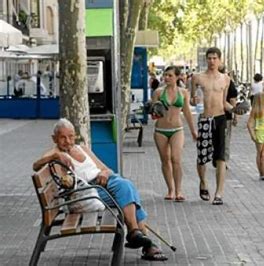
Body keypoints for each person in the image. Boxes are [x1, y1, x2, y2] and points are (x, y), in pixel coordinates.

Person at [32, 118, 167, 261]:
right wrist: (55, 155)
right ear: (54, 138)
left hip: (105, 183)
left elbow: (106, 169)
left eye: (71, 136)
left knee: (126, 188)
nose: (68, 141)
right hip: (89, 192)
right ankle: (141, 238)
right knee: (127, 191)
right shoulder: (54, 154)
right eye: (62, 137)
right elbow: (36, 166)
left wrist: (103, 173)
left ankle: (138, 236)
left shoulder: (82, 148)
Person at [191, 47, 233, 205]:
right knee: (202, 157)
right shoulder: (197, 77)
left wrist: (235, 109)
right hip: (204, 118)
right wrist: (194, 101)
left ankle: (219, 193)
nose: (212, 61)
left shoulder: (225, 79)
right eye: (209, 58)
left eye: (215, 58)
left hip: (220, 118)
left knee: (221, 157)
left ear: (220, 60)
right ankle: (203, 182)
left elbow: (225, 102)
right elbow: (192, 99)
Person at [152, 66, 197, 202]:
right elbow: (153, 114)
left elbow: (187, 112)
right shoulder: (159, 92)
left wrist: (193, 130)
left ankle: (179, 190)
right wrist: (156, 109)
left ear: (177, 77)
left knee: (176, 159)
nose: (166, 78)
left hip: (177, 129)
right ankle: (170, 190)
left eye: (170, 75)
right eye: (165, 75)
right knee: (165, 160)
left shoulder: (183, 92)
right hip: (161, 130)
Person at [218, 65, 239, 164]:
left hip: (221, 115)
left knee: (220, 139)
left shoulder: (228, 82)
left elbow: (232, 100)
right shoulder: (229, 81)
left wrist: (235, 116)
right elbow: (233, 100)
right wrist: (236, 116)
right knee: (225, 139)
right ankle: (223, 160)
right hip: (225, 116)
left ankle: (221, 160)